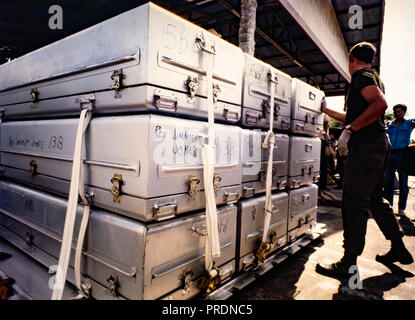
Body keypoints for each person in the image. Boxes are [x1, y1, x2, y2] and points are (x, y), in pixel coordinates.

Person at [316, 42, 413, 280]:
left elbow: (380, 105)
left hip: (366, 147)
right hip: (379, 146)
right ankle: (399, 248)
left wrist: (350, 131)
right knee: (375, 200)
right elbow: (354, 115)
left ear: (352, 59)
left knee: (353, 202)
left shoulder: (360, 76)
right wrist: (326, 110)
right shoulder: (374, 76)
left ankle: (348, 264)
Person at [383, 104, 415, 216]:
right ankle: (388, 207)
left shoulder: (409, 123)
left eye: (400, 111)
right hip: (390, 154)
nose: (398, 113)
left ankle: (401, 209)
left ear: (404, 112)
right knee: (388, 182)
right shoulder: (389, 124)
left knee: (403, 183)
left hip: (403, 154)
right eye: (396, 111)